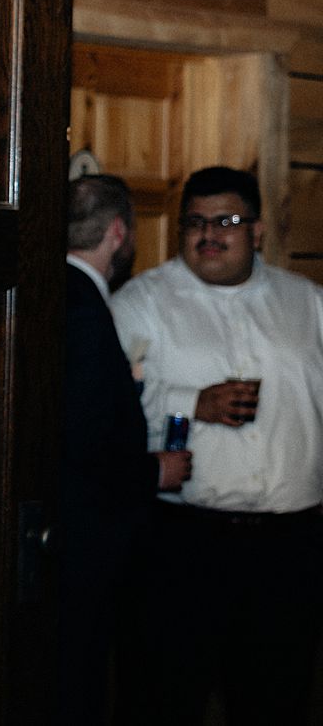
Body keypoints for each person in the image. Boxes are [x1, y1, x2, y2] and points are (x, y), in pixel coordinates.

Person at [111, 166, 323, 725]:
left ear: (257, 231)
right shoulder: (142, 301)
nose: (210, 234)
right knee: (166, 698)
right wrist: (189, 401)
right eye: (196, 222)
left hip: (291, 542)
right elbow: (99, 409)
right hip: (186, 540)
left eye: (227, 221)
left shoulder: (307, 302)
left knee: (278, 698)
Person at [59, 174, 191, 724]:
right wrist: (152, 472)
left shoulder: (62, 292)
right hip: (83, 539)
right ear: (120, 232)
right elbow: (81, 442)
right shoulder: (85, 307)